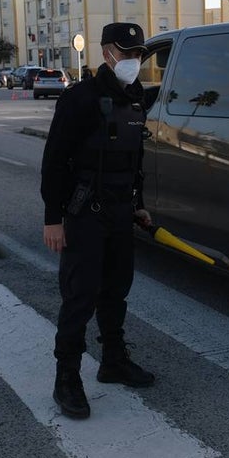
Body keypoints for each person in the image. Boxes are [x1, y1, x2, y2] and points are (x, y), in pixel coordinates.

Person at [41, 22, 153, 419]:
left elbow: (133, 159)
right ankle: (66, 377)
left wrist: (138, 202)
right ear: (106, 52)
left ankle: (113, 360)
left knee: (116, 291)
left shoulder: (136, 98)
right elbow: (54, 160)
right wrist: (52, 218)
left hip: (121, 212)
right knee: (80, 296)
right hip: (85, 214)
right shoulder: (80, 98)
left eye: (138, 54)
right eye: (127, 54)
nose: (133, 61)